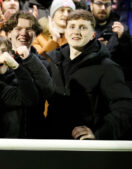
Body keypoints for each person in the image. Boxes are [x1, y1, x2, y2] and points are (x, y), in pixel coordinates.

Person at [45, 9, 132, 140]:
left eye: (83, 28)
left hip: (87, 149)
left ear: (93, 35)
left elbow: (125, 108)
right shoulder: (54, 62)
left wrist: (100, 134)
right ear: (66, 32)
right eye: (72, 27)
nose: (76, 32)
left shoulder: (107, 67)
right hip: (54, 144)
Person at [1, 11, 54, 138]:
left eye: (29, 29)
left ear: (35, 35)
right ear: (8, 34)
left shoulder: (45, 65)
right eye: (18, 29)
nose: (23, 33)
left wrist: (29, 59)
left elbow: (49, 92)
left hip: (35, 136)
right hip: (3, 137)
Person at [89, 0, 132, 88]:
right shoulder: (81, 26)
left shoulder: (121, 28)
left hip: (114, 83)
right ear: (91, 5)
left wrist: (123, 38)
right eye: (99, 3)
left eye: (107, 4)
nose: (103, 8)